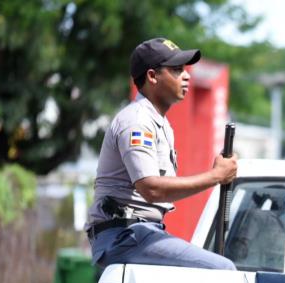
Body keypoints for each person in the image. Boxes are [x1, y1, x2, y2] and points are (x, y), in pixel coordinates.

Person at [86, 38, 238, 269]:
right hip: (123, 236)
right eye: (177, 70)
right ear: (152, 76)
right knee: (223, 269)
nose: (186, 75)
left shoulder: (158, 122)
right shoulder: (137, 121)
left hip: (139, 234)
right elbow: (152, 188)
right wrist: (217, 175)